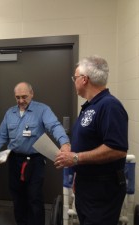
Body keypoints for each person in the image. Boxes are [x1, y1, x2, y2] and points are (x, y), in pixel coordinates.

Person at [55, 55, 128, 225]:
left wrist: (75, 158)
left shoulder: (110, 106)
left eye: (75, 77)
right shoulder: (91, 106)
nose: (74, 81)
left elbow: (117, 149)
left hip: (102, 190)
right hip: (86, 185)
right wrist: (78, 174)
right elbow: (89, 142)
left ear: (84, 79)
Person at [0, 82, 70, 225]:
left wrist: (64, 143)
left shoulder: (42, 110)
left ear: (32, 94)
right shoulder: (10, 113)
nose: (21, 101)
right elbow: (1, 135)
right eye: (17, 97)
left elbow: (54, 126)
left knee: (34, 197)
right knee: (18, 197)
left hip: (35, 162)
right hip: (14, 160)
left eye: (24, 97)